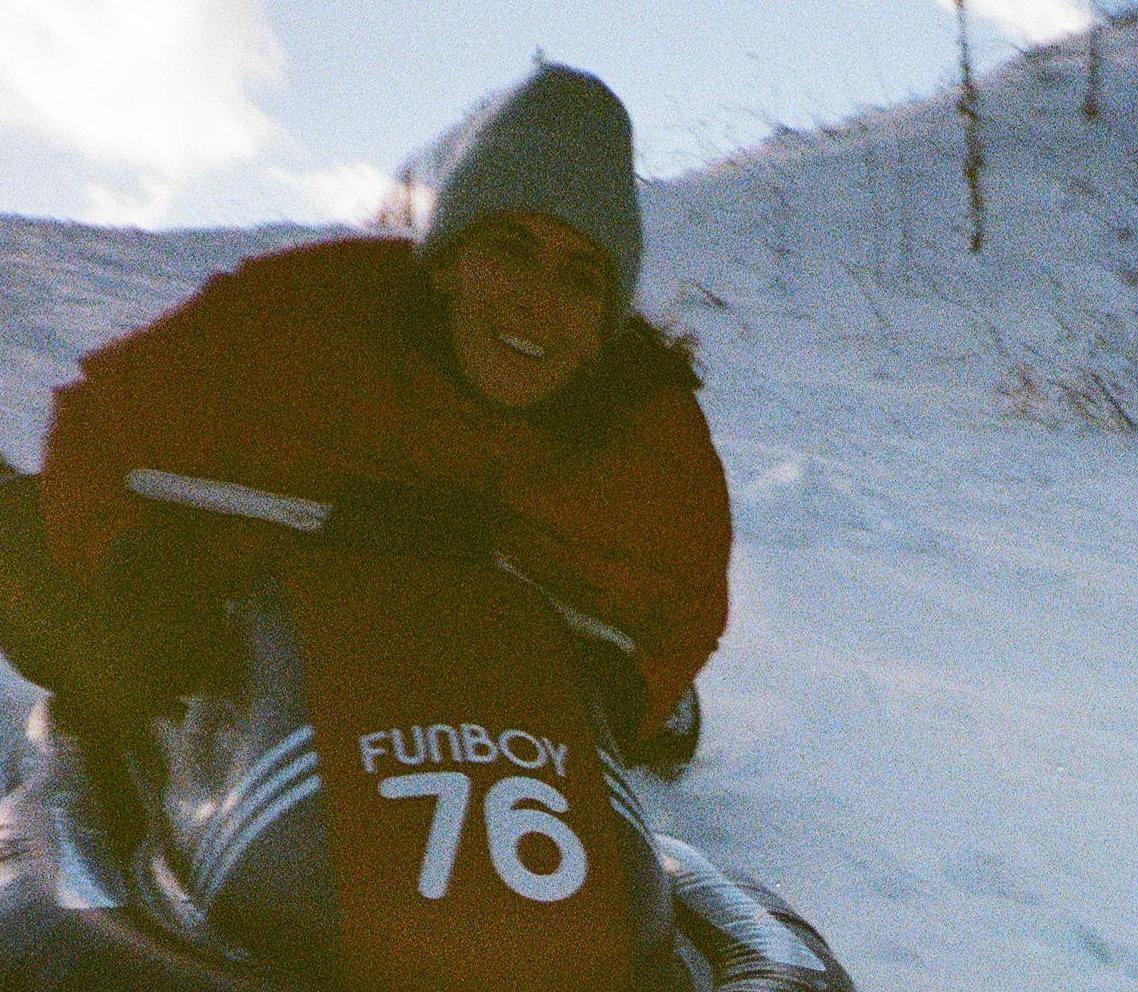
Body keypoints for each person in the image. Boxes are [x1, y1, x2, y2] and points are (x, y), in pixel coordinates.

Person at [1, 62, 728, 803]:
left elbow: (682, 619)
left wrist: (628, 696)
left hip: (458, 686)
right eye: (509, 248)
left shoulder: (650, 436)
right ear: (447, 265)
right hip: (238, 639)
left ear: (604, 325)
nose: (537, 302)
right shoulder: (305, 315)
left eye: (580, 276)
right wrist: (129, 559)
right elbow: (101, 422)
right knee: (33, 557)